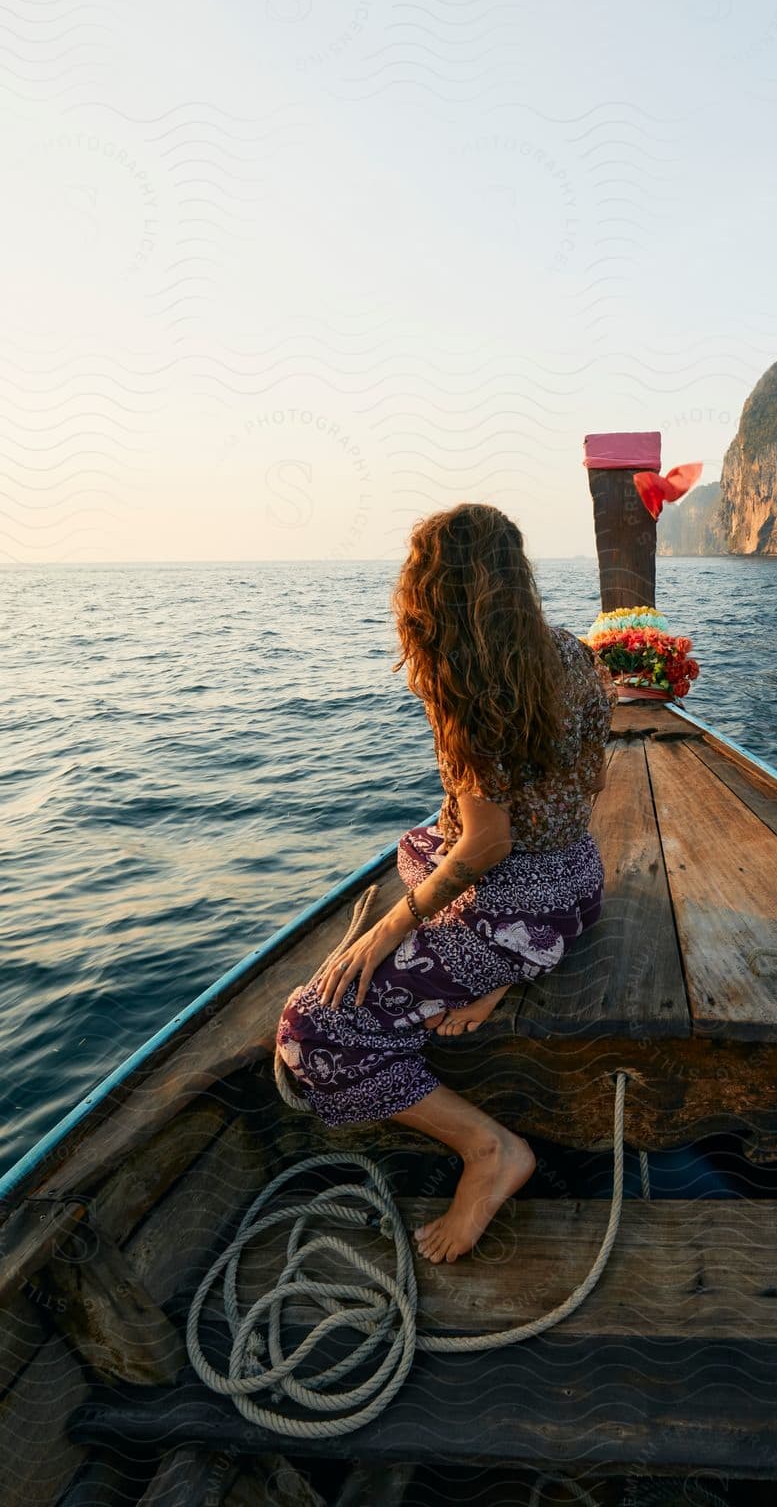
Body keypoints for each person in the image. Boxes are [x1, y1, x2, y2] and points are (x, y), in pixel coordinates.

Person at [275, 503, 619, 1263]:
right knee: (414, 846)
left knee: (312, 1033)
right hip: (577, 880)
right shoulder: (570, 653)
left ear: (433, 588)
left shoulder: (468, 686)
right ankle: (511, 965)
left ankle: (490, 1150)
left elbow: (486, 844)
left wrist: (392, 927)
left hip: (513, 906)